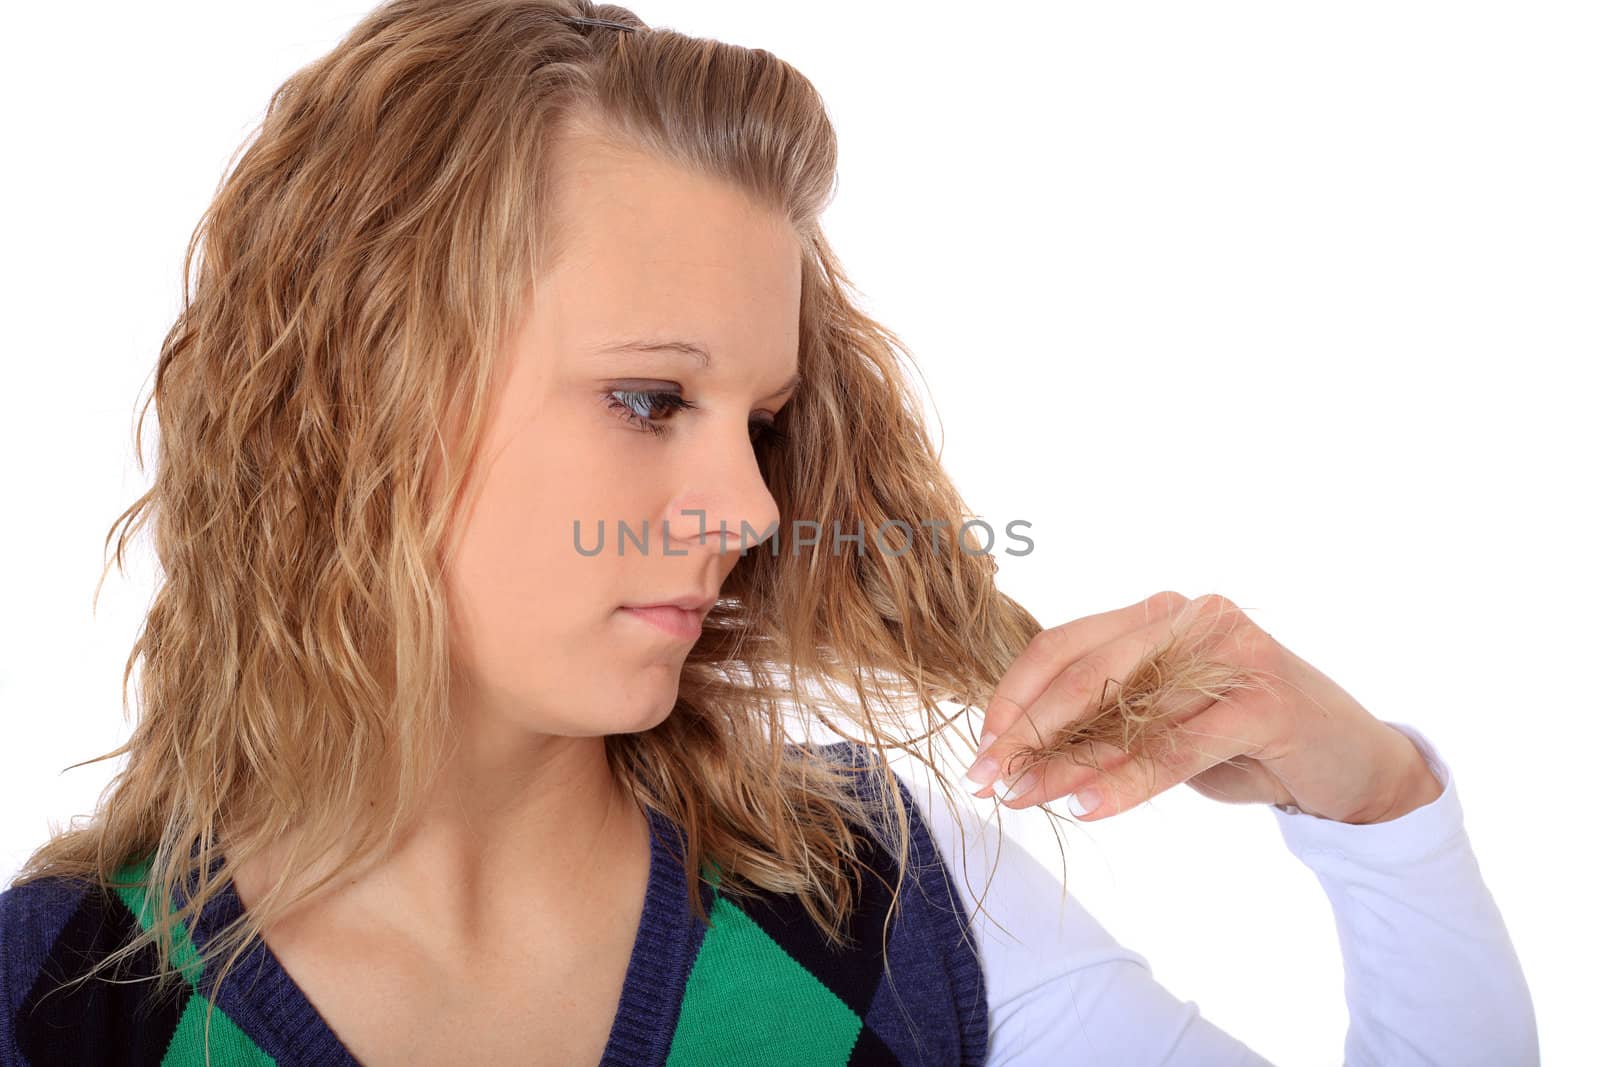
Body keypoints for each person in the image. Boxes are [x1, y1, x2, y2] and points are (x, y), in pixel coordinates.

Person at [0, 2, 1537, 1064]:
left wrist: (1381, 812)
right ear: (362, 395)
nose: (748, 508)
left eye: (761, 417)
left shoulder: (878, 911)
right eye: (653, 398)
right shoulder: (59, 1006)